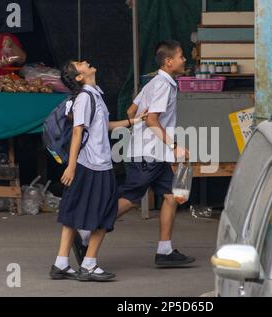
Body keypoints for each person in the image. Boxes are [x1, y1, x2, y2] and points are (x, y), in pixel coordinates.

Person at [72, 41, 196, 267]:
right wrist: (174, 145)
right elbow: (151, 119)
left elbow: (132, 111)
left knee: (171, 196)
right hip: (149, 153)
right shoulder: (163, 85)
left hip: (154, 152)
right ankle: (85, 232)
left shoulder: (153, 82)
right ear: (169, 62)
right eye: (181, 56)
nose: (184, 60)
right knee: (130, 198)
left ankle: (164, 251)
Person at [50, 61, 146, 282]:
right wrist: (71, 166)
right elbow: (77, 132)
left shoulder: (94, 94)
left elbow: (104, 125)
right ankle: (89, 265)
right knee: (106, 213)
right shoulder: (85, 97)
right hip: (92, 165)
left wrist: (133, 121)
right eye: (79, 64)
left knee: (73, 211)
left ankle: (61, 264)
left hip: (94, 164)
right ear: (79, 78)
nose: (85, 62)